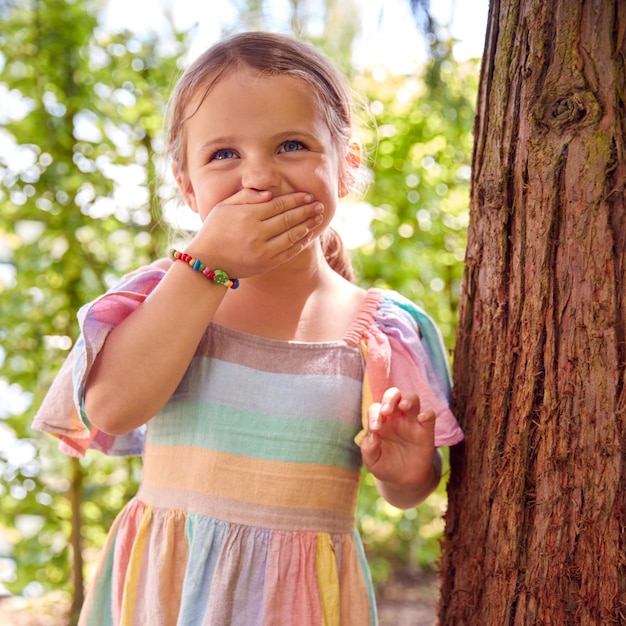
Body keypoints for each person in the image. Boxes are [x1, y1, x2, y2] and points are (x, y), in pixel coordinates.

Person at [33, 31, 463, 626]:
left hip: (299, 604)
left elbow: (409, 491)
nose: (258, 178)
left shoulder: (379, 329)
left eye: (291, 144)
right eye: (223, 155)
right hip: (166, 595)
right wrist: (206, 270)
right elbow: (111, 409)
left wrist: (409, 468)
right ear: (186, 185)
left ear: (346, 167)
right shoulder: (166, 295)